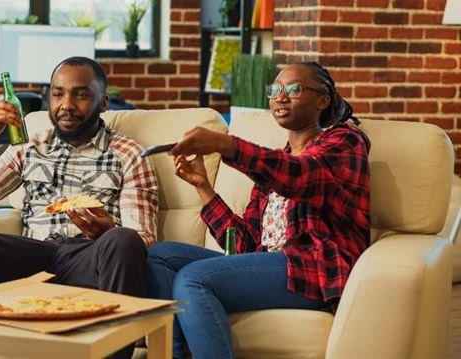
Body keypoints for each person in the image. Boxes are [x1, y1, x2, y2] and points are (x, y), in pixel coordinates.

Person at [0, 56, 158, 359]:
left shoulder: (129, 153)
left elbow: (144, 236)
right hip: (33, 255)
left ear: (103, 103)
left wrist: (108, 230)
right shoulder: (31, 147)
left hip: (90, 258)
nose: (67, 105)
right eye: (58, 94)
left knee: (123, 239)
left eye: (81, 95)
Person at [146, 62, 371, 359]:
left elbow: (302, 176)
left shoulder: (344, 143)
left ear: (323, 100)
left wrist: (225, 144)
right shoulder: (273, 169)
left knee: (193, 278)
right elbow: (244, 245)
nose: (280, 97)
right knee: (160, 256)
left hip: (314, 268)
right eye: (275, 90)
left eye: (294, 89)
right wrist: (203, 187)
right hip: (270, 264)